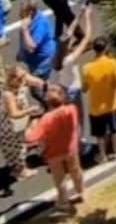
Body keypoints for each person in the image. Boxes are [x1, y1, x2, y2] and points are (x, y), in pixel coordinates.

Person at [25, 84, 85, 214]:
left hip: (54, 152)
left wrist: (31, 125)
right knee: (75, 170)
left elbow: (31, 139)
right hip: (70, 148)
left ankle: (64, 202)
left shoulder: (46, 119)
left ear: (47, 101)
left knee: (60, 178)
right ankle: (80, 191)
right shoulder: (71, 109)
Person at [81, 36, 116, 162]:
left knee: (99, 134)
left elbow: (84, 88)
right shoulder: (112, 63)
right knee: (115, 129)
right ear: (106, 48)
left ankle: (102, 155)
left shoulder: (86, 67)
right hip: (112, 104)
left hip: (95, 107)